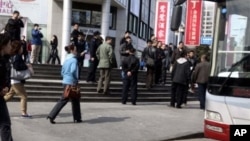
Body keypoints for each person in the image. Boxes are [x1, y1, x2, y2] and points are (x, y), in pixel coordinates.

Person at [47, 44, 82, 124]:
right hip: (71, 82)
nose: (76, 51)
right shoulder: (74, 60)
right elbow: (73, 70)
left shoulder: (66, 60)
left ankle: (77, 118)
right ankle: (52, 115)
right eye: (75, 50)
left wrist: (65, 77)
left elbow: (62, 71)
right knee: (67, 99)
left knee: (74, 99)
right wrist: (76, 79)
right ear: (72, 51)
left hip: (65, 81)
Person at [4, 40, 32, 118]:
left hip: (13, 80)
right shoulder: (17, 56)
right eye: (21, 47)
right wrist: (27, 66)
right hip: (17, 80)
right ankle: (24, 113)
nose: (22, 49)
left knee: (9, 96)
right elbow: (17, 66)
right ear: (18, 48)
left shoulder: (12, 56)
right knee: (24, 96)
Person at [0, 33, 16, 141]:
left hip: (1, 96)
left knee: (5, 124)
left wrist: (7, 87)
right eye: (9, 44)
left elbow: (6, 77)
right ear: (3, 45)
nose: (11, 47)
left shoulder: (5, 59)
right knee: (5, 123)